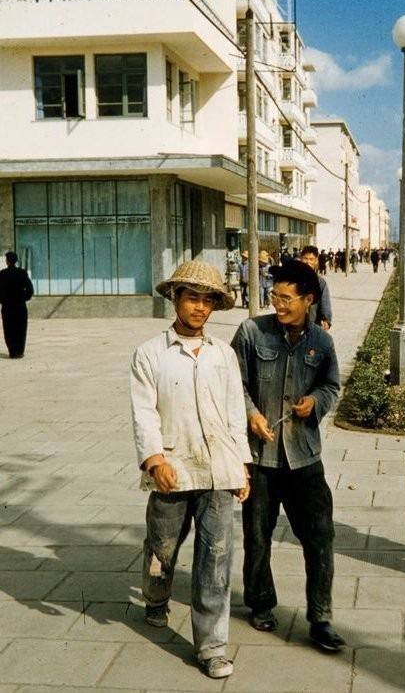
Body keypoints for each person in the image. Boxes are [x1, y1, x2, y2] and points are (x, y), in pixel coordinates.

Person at [130, 260, 251, 680]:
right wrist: (154, 460)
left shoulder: (224, 355)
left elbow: (236, 412)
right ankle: (156, 596)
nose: (199, 307)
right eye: (192, 298)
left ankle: (212, 646)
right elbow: (143, 412)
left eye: (207, 301)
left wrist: (242, 467)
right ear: (175, 299)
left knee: (216, 559)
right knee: (163, 549)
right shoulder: (150, 354)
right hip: (172, 470)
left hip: (219, 470)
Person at [231, 259, 344, 653]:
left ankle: (321, 617)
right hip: (260, 458)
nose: (277, 304)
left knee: (319, 536)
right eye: (273, 296)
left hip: (304, 458)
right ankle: (260, 603)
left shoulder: (322, 342)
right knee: (257, 536)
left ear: (308, 299)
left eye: (286, 298)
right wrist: (252, 414)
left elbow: (332, 386)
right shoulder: (250, 332)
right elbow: (233, 384)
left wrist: (315, 401)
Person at [0, 251, 34, 359]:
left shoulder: (2, 274)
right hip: (20, 306)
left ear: (7, 261)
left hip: (7, 306)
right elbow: (30, 289)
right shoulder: (22, 273)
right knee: (21, 328)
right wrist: (24, 298)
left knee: (9, 329)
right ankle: (20, 351)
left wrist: (3, 300)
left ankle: (12, 351)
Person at [299, 246, 333, 329]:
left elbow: (325, 301)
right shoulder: (292, 279)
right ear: (301, 259)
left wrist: (326, 319)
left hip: (313, 323)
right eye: (305, 258)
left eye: (311, 259)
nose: (308, 262)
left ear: (316, 261)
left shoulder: (320, 282)